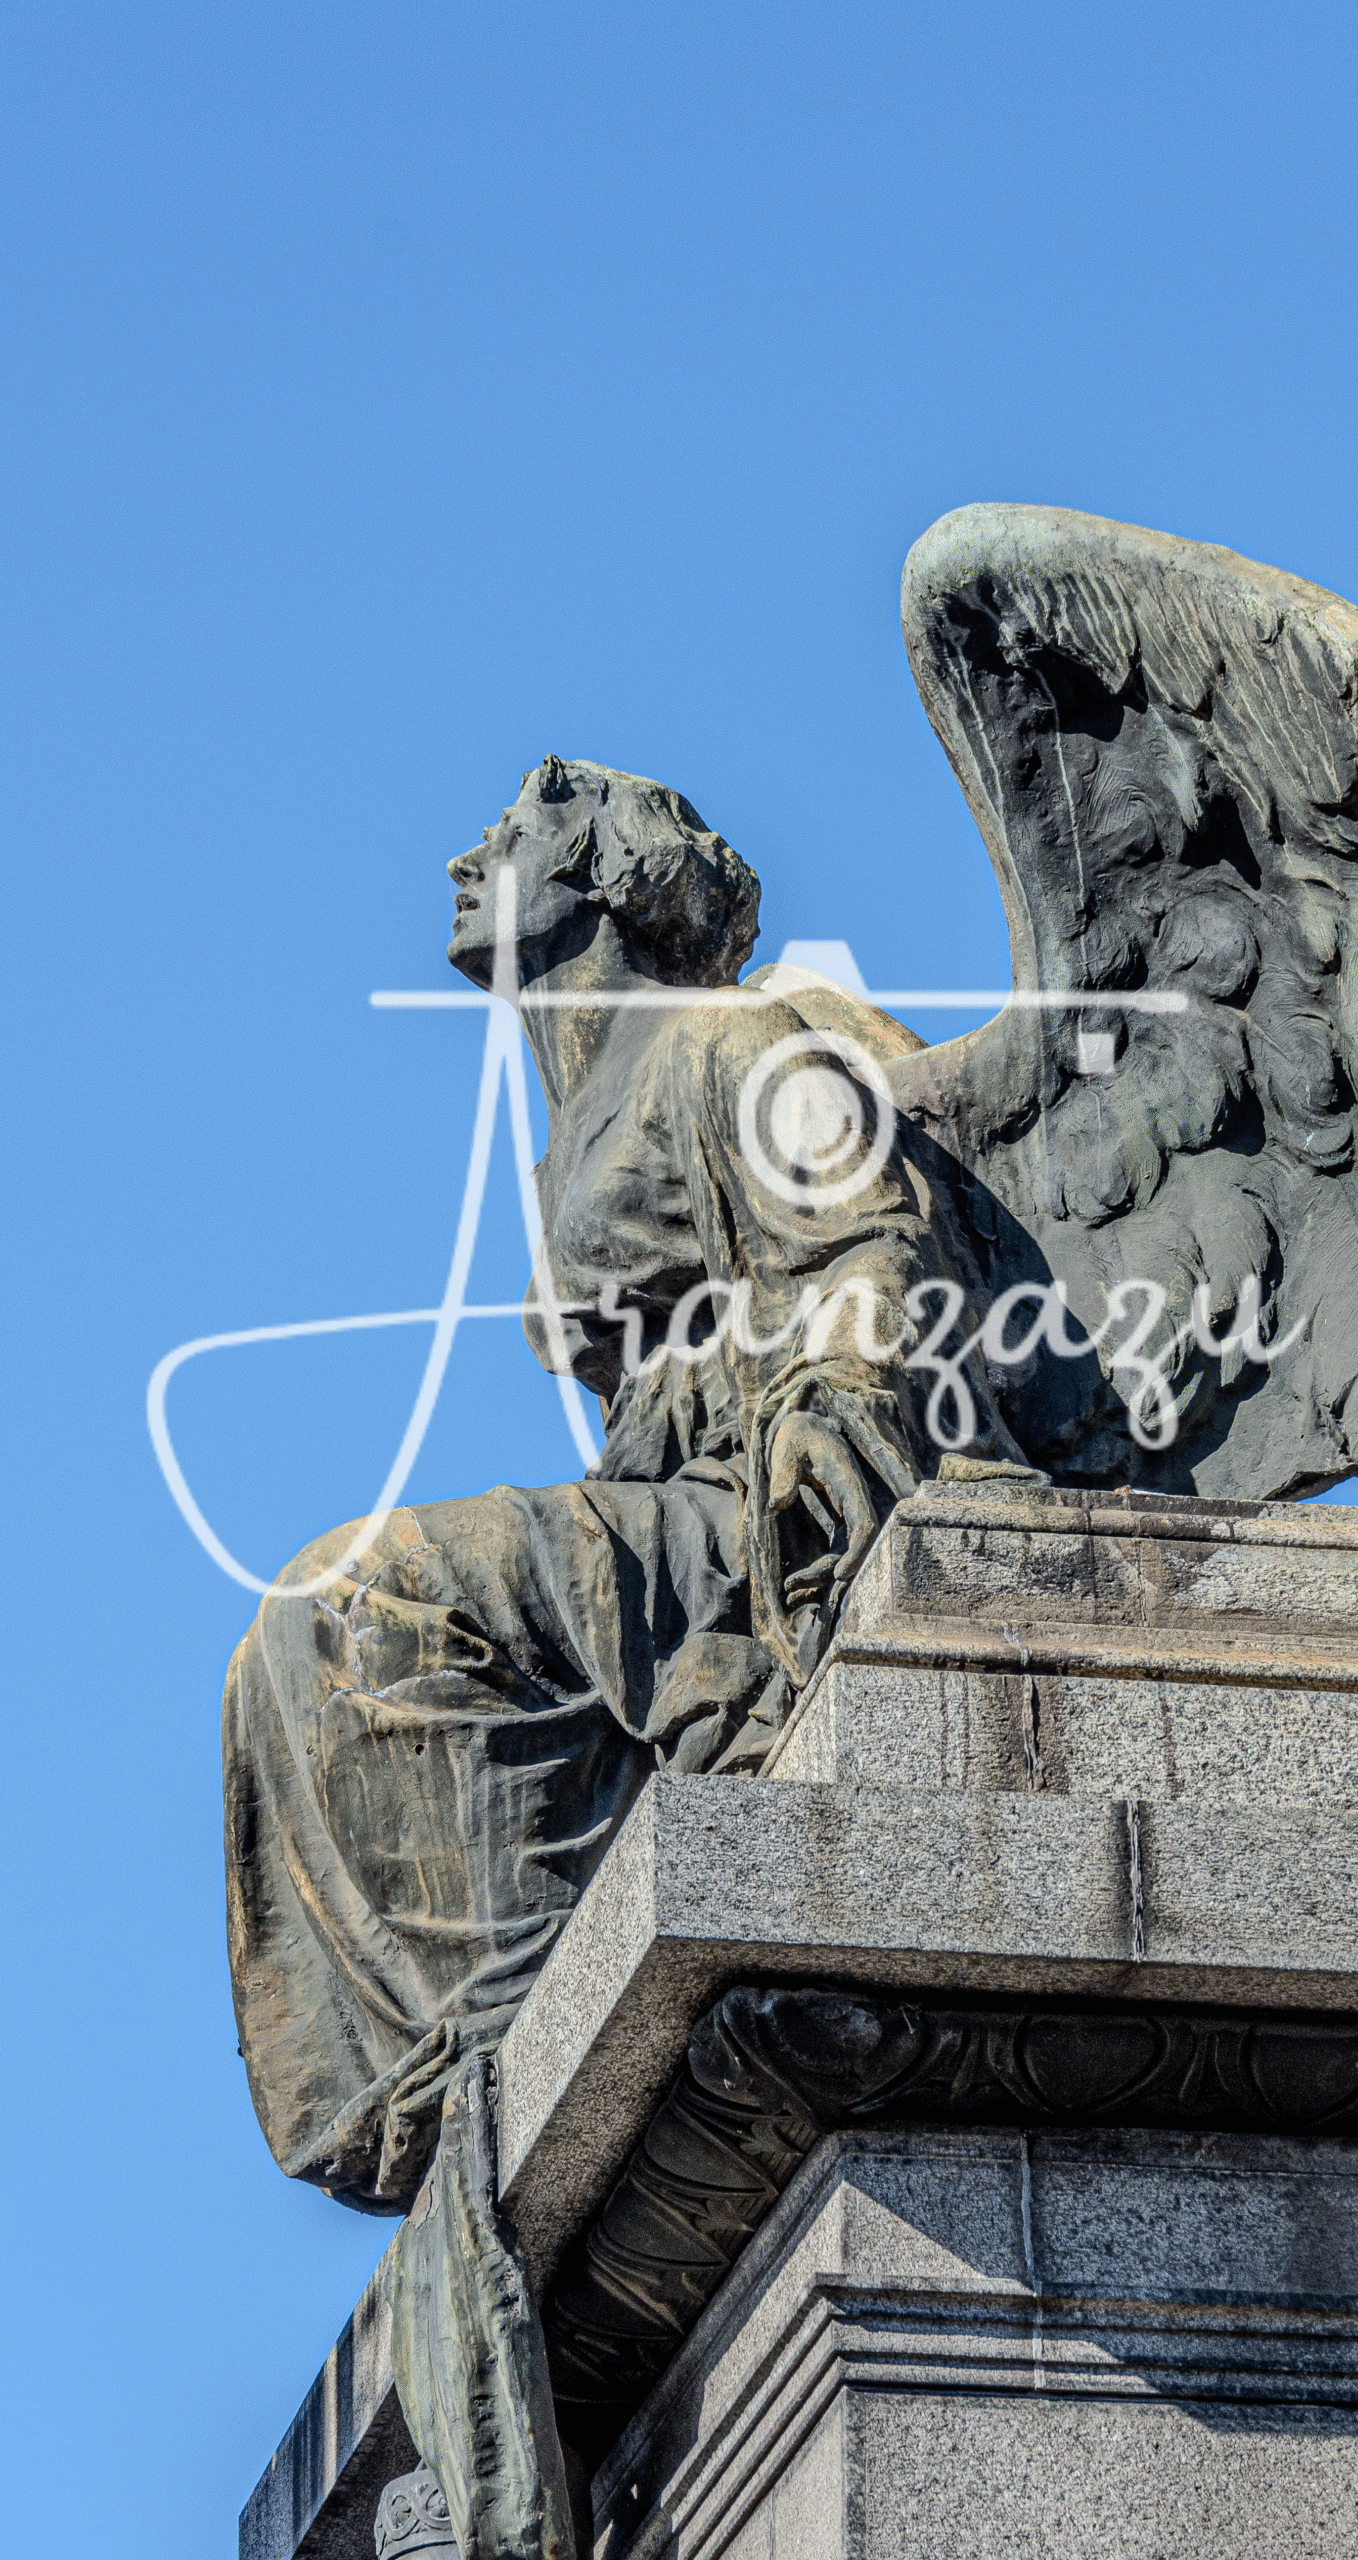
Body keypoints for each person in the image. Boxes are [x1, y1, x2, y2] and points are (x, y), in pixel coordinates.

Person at [223, 755, 1037, 2560]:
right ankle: (484, 2027)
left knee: (354, 1604)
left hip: (763, 1517)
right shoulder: (571, 1109)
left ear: (604, 872)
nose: (463, 850)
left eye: (513, 826)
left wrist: (832, 1435)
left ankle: (485, 2018)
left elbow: (871, 1240)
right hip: (672, 1524)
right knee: (323, 1629)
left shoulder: (733, 1036)